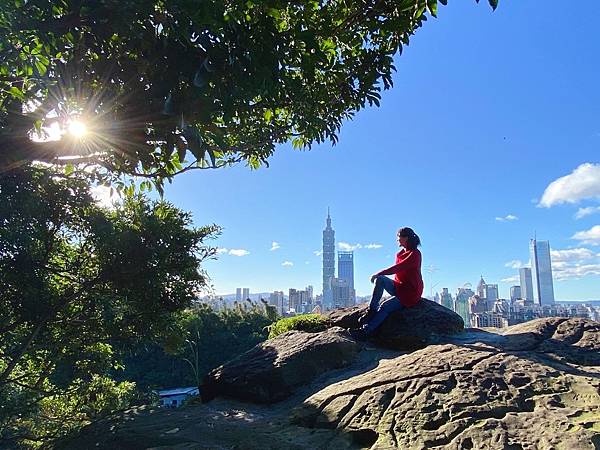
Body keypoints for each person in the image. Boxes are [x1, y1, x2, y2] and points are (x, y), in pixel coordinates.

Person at [350, 227, 423, 341]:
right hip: (399, 287)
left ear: (406, 238)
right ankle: (372, 311)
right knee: (380, 280)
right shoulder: (400, 253)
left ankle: (366, 331)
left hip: (410, 293)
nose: (397, 240)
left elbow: (398, 268)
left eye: (398, 237)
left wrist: (379, 273)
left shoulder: (415, 254)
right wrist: (379, 276)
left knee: (385, 307)